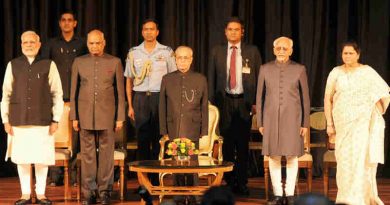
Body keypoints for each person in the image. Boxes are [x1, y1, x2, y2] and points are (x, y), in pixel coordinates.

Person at [1, 31, 64, 205]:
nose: (29, 45)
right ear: (21, 44)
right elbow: (6, 94)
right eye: (25, 42)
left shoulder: (48, 64)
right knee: (22, 159)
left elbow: (57, 93)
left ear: (39, 44)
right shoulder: (13, 65)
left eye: (32, 42)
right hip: (18, 120)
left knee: (41, 159)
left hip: (43, 120)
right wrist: (5, 120)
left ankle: (42, 194)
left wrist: (56, 119)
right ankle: (25, 194)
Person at [324, 41, 390, 205]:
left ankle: (359, 199)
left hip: (361, 124)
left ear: (358, 54)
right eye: (345, 53)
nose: (347, 56)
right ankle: (345, 197)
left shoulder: (367, 72)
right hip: (341, 124)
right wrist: (330, 124)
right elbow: (328, 98)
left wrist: (375, 106)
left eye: (351, 53)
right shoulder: (336, 72)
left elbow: (383, 92)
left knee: (360, 161)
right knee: (345, 161)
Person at [70, 29, 125, 205]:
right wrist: (74, 116)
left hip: (108, 116)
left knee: (106, 155)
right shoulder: (79, 62)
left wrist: (120, 117)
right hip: (85, 115)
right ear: (87, 43)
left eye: (98, 42)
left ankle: (105, 192)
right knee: (87, 156)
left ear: (104, 43)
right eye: (91, 43)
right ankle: (89, 192)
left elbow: (121, 93)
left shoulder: (115, 62)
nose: (94, 46)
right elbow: (73, 92)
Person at [208, 17, 262, 195]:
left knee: (243, 145)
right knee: (228, 145)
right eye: (230, 29)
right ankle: (229, 182)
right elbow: (212, 78)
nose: (233, 32)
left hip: (245, 103)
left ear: (242, 32)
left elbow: (259, 78)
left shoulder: (252, 51)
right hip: (224, 102)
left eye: (236, 29)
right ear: (225, 32)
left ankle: (242, 182)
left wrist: (256, 102)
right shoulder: (217, 51)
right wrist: (211, 103)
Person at [256, 36, 310, 205]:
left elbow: (305, 98)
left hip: (293, 118)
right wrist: (260, 122)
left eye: (284, 48)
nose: (281, 51)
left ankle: (290, 194)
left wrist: (305, 123)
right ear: (273, 50)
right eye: (278, 48)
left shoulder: (299, 69)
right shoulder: (264, 68)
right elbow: (259, 97)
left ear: (291, 51)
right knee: (274, 156)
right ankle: (278, 194)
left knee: (292, 156)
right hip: (270, 118)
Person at [124, 19, 176, 184]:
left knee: (159, 140)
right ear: (142, 32)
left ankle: (157, 180)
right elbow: (129, 81)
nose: (148, 32)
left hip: (159, 98)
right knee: (142, 141)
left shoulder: (167, 52)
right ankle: (143, 181)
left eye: (152, 29)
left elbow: (173, 78)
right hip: (140, 99)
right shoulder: (133, 52)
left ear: (157, 32)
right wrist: (130, 105)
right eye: (145, 29)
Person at [41, 11, 87, 187]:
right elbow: (44, 69)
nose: (67, 23)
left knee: (76, 138)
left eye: (70, 20)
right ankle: (55, 176)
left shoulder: (82, 44)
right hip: (56, 98)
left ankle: (75, 177)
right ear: (60, 24)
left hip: (78, 96)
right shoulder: (51, 44)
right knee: (55, 136)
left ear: (75, 23)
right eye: (63, 21)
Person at [159, 46, 208, 205]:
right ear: (175, 59)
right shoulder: (167, 79)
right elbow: (162, 106)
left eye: (186, 58)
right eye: (179, 57)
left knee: (192, 163)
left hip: (192, 126)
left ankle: (193, 195)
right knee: (176, 163)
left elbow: (204, 106)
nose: (182, 61)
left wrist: (204, 129)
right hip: (174, 127)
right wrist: (164, 129)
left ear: (191, 59)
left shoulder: (200, 78)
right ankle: (178, 195)